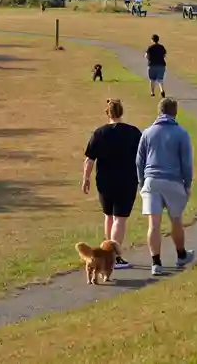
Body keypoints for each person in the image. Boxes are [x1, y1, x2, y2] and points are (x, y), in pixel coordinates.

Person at [136, 97, 195, 276]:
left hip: (151, 180)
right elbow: (186, 162)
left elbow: (139, 161)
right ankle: (181, 255)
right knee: (176, 219)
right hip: (173, 180)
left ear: (159, 111)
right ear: (175, 112)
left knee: (153, 224)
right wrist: (188, 183)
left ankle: (156, 263)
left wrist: (141, 182)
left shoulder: (147, 133)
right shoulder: (181, 133)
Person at [82, 99, 142, 269]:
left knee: (108, 216)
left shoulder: (99, 133)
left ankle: (108, 253)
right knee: (120, 219)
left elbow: (89, 159)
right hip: (126, 180)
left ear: (107, 113)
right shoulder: (133, 132)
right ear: (121, 112)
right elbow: (142, 156)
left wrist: (86, 178)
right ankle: (113, 257)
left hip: (105, 181)